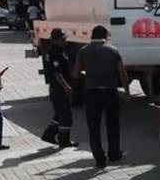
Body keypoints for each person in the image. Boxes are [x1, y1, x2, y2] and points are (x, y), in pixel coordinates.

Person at [73, 25, 131, 169]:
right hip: (110, 92)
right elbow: (122, 73)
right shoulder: (113, 50)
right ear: (105, 35)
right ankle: (114, 153)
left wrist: (87, 75)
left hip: (92, 93)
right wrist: (127, 92)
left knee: (94, 127)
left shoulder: (83, 51)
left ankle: (99, 158)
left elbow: (75, 73)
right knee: (113, 124)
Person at [41, 28, 77, 148]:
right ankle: (64, 140)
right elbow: (57, 73)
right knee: (66, 114)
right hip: (58, 88)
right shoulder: (54, 52)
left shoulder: (60, 50)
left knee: (59, 113)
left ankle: (49, 134)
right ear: (56, 40)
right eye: (63, 39)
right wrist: (66, 87)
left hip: (57, 88)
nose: (65, 40)